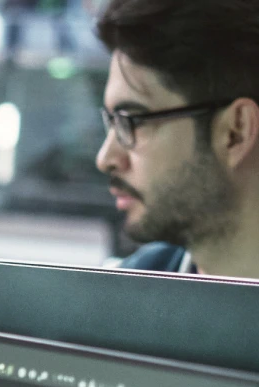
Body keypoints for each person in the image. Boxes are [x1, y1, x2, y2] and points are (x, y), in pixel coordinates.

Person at [95, 0, 259, 278]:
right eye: (111, 121)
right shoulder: (132, 291)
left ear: (235, 132)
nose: (105, 159)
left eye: (132, 122)